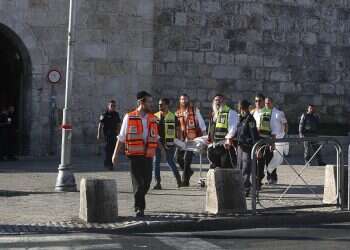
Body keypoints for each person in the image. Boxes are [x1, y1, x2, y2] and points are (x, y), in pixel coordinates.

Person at [112, 91, 158, 217]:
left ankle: (139, 201)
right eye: (148, 102)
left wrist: (162, 151)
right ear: (141, 102)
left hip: (148, 154)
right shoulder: (129, 117)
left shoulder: (152, 118)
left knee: (147, 182)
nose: (151, 104)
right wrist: (115, 155)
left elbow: (156, 137)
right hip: (134, 154)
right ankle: (139, 208)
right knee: (138, 183)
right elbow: (121, 137)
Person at [175, 94, 206, 186]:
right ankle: (189, 172)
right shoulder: (177, 113)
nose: (183, 101)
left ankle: (185, 180)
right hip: (181, 139)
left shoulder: (194, 110)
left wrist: (204, 137)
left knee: (187, 159)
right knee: (177, 158)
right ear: (180, 101)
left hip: (192, 139)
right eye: (181, 99)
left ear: (188, 100)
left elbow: (201, 123)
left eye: (185, 99)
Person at [153, 98, 182, 189]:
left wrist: (178, 141)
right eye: (159, 104)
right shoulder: (155, 116)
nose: (160, 106)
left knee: (170, 161)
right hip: (157, 143)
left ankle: (178, 180)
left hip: (170, 144)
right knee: (156, 162)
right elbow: (152, 130)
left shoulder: (173, 116)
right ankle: (158, 183)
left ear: (167, 105)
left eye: (162, 104)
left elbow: (178, 129)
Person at [207, 94, 238, 169]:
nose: (218, 102)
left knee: (226, 168)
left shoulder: (230, 112)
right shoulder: (214, 114)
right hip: (215, 146)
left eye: (219, 100)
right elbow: (211, 129)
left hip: (225, 146)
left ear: (224, 101)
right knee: (216, 168)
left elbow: (233, 128)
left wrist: (228, 139)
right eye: (216, 100)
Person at [236, 100, 259, 197]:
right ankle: (242, 186)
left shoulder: (250, 120)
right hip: (240, 146)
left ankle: (245, 189)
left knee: (246, 168)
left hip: (247, 147)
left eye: (242, 108)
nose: (241, 110)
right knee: (239, 167)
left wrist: (256, 148)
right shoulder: (242, 119)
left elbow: (254, 135)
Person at [250, 93, 273, 189]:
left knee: (261, 161)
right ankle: (256, 180)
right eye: (256, 101)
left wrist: (272, 142)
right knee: (253, 161)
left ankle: (258, 181)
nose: (257, 103)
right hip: (253, 140)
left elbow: (273, 128)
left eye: (259, 101)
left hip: (263, 140)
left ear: (264, 101)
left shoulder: (269, 112)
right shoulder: (252, 112)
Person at [265, 97, 288, 184]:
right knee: (267, 158)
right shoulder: (264, 113)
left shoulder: (279, 113)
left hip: (277, 140)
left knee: (274, 159)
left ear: (272, 103)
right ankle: (268, 177)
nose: (267, 105)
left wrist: (284, 136)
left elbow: (285, 125)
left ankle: (273, 178)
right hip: (267, 139)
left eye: (268, 103)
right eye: (266, 103)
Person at [97, 100, 121, 170]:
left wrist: (119, 133)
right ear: (108, 106)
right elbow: (100, 124)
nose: (113, 107)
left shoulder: (116, 114)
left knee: (113, 149)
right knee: (108, 150)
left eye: (114, 106)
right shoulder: (104, 114)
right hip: (107, 135)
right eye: (112, 106)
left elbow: (119, 124)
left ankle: (111, 164)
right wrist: (98, 134)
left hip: (114, 134)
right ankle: (108, 164)